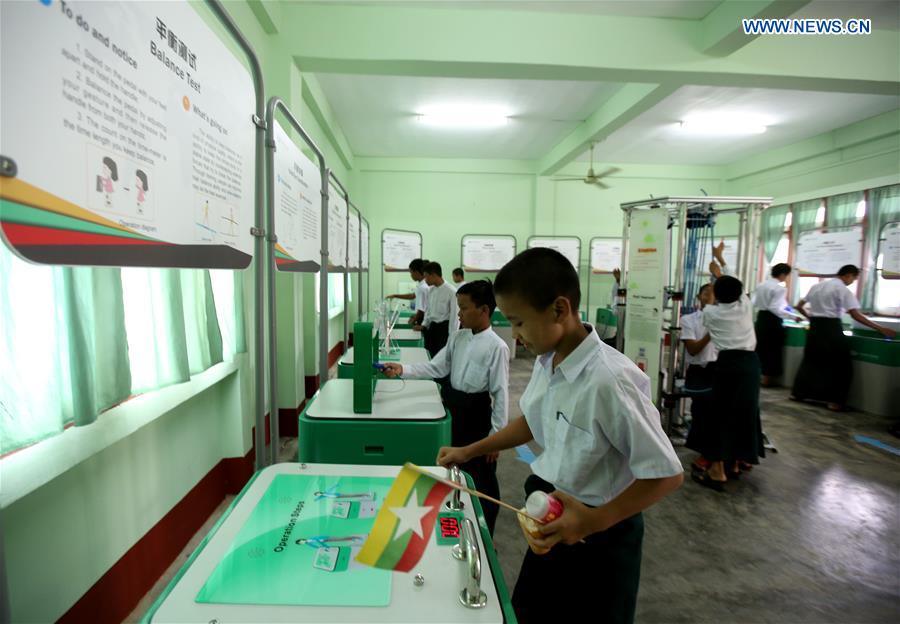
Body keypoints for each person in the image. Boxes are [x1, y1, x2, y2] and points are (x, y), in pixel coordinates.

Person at [436, 247, 683, 624]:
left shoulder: (611, 380)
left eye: (519, 323)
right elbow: (533, 422)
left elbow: (666, 473)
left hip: (602, 539)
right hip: (553, 517)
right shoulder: (547, 361)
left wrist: (591, 521)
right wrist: (469, 450)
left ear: (559, 309)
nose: (515, 336)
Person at [383, 280, 509, 534]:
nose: (459, 313)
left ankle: (484, 531)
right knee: (452, 467)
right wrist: (403, 369)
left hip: (477, 416)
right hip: (453, 409)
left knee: (481, 478)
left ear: (484, 310)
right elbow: (437, 367)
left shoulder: (497, 347)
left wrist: (495, 437)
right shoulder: (458, 337)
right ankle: (455, 519)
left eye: (463, 308)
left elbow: (501, 394)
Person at [697, 243, 764, 490]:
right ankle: (735, 463)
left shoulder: (710, 313)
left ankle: (718, 470)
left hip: (726, 365)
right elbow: (735, 283)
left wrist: (716, 278)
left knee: (721, 416)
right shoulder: (745, 306)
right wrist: (720, 262)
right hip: (749, 365)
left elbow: (722, 293)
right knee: (745, 413)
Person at [792, 265, 895, 411]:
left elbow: (798, 306)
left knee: (811, 361)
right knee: (841, 365)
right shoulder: (842, 290)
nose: (853, 281)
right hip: (831, 328)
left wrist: (811, 318)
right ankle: (834, 401)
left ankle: (798, 394)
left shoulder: (817, 286)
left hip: (815, 328)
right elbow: (855, 315)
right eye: (854, 278)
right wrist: (880, 328)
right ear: (848, 275)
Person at [680, 283, 718, 475]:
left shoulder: (724, 319)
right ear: (699, 297)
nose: (710, 297)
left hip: (718, 370)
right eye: (706, 293)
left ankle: (716, 456)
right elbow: (693, 349)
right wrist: (711, 334)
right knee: (702, 413)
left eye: (714, 294)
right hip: (699, 372)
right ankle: (704, 453)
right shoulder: (688, 319)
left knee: (717, 415)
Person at [752, 263, 802, 386]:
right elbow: (775, 308)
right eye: (787, 275)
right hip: (772, 321)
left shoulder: (761, 285)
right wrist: (793, 316)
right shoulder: (780, 288)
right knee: (772, 350)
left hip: (761, 318)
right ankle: (767, 380)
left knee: (761, 348)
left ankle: (758, 376)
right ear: (783, 274)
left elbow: (754, 302)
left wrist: (788, 309)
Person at [416, 261, 458, 357]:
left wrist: (452, 337)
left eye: (426, 277)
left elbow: (454, 318)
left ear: (434, 275)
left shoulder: (451, 291)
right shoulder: (431, 290)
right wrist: (423, 325)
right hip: (432, 328)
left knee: (442, 358)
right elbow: (428, 310)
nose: (425, 280)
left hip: (444, 330)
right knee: (429, 355)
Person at [386, 258, 430, 325]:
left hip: (422, 320)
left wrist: (414, 319)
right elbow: (413, 295)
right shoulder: (422, 284)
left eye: (411, 272)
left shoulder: (423, 287)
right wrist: (395, 295)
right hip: (421, 317)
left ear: (416, 272)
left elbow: (422, 309)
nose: (411, 275)